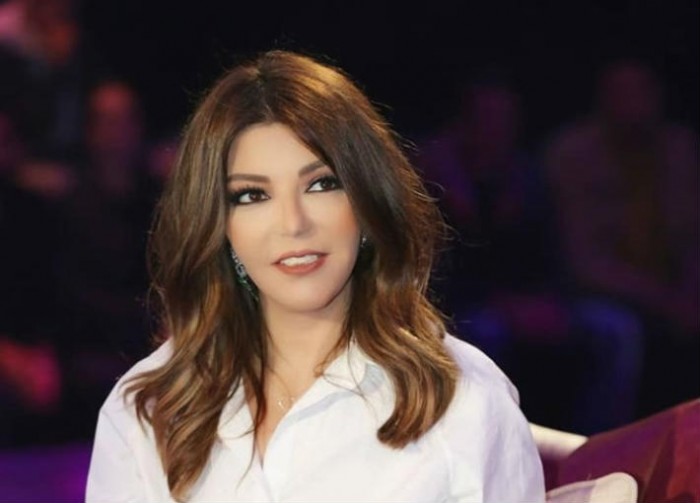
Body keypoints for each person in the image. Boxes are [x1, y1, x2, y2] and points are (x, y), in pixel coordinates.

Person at [86, 50, 544, 502]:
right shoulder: (149, 406)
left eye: (321, 184)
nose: (293, 223)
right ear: (219, 226)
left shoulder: (463, 398)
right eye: (252, 195)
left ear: (367, 202)